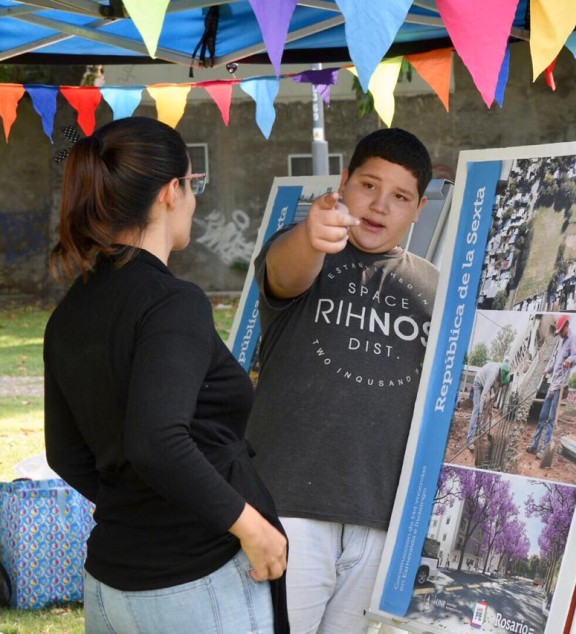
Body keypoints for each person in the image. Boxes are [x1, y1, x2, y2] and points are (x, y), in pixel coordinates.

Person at [43, 117, 288, 634]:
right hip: (195, 582)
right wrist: (253, 529)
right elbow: (157, 440)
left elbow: (65, 455)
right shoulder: (172, 302)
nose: (195, 201)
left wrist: (138, 505)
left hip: (112, 582)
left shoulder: (70, 310)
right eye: (193, 184)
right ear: (170, 192)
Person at [245, 128, 439, 633]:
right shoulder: (306, 250)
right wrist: (311, 237)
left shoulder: (436, 287)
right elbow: (285, 273)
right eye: (369, 185)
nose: (379, 206)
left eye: (400, 197)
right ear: (345, 181)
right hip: (289, 508)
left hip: (382, 515)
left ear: (419, 208)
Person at [526, 314, 576, 457]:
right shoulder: (561, 342)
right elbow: (556, 362)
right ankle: (534, 445)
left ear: (567, 327)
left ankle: (544, 450)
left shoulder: (572, 339)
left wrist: (570, 360)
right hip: (552, 384)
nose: (560, 334)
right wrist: (547, 370)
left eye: (561, 331)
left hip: (560, 385)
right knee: (542, 416)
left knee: (550, 419)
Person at [466, 361, 512, 450]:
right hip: (478, 383)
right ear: (499, 374)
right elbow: (483, 395)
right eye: (500, 381)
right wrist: (480, 414)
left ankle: (480, 430)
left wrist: (489, 408)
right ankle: (469, 440)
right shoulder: (492, 376)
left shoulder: (501, 375)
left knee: (486, 409)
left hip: (485, 384)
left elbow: (493, 396)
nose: (500, 383)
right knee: (477, 409)